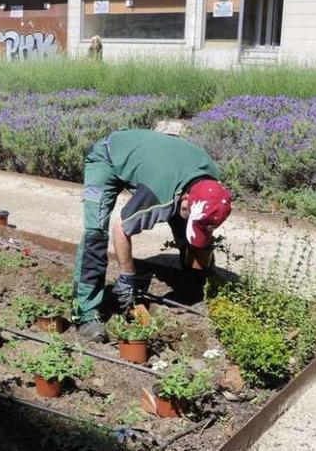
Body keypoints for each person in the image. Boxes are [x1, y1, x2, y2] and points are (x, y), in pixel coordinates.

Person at [73, 129, 233, 342]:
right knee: (96, 234)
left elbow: (199, 219)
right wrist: (127, 279)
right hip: (107, 156)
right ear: (185, 197)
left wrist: (201, 276)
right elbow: (122, 229)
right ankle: (85, 315)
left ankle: (194, 281)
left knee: (182, 218)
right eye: (187, 209)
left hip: (150, 161)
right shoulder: (160, 189)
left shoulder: (212, 186)